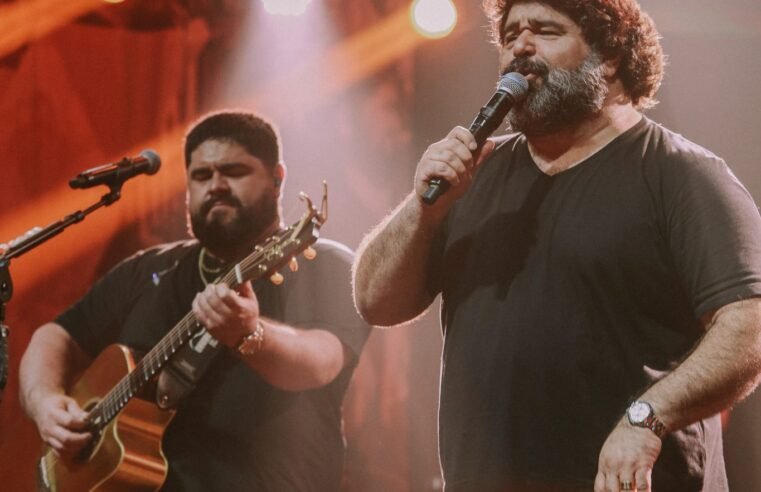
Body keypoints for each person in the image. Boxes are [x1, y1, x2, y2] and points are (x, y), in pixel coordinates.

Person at [352, 1, 761, 491]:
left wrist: (646, 417)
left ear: (608, 58)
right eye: (508, 37)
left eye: (545, 31)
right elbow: (374, 300)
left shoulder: (681, 175)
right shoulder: (473, 174)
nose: (520, 47)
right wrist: (424, 207)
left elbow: (747, 327)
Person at [20, 110, 371, 491]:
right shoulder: (148, 269)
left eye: (234, 171)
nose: (216, 185)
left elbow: (320, 362)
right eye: (201, 176)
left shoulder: (325, 264)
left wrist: (249, 334)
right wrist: (45, 403)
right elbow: (55, 336)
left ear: (277, 178)